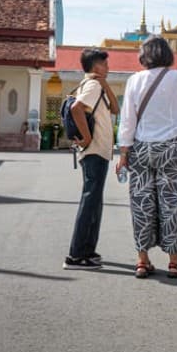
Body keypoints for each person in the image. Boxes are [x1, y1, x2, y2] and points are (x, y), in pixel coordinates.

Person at [115, 36, 177, 279]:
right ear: (167, 54)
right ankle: (173, 262)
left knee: (141, 204)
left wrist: (123, 153)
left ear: (144, 56)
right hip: (171, 148)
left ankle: (142, 261)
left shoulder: (134, 80)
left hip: (141, 148)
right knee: (171, 204)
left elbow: (127, 120)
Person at [63, 48, 120, 270]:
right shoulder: (92, 85)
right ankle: (76, 255)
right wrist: (87, 138)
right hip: (94, 150)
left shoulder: (97, 85)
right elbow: (76, 108)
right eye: (105, 64)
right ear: (96, 66)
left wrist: (105, 83)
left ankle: (88, 250)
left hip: (99, 151)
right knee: (90, 201)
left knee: (94, 202)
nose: (108, 67)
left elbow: (115, 109)